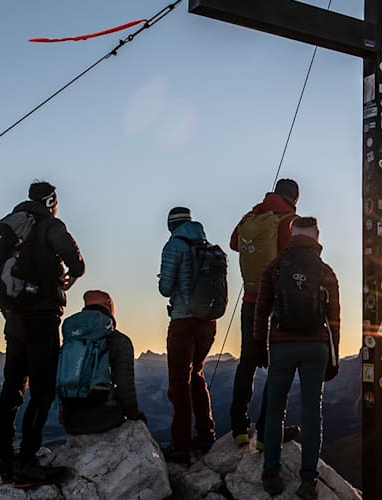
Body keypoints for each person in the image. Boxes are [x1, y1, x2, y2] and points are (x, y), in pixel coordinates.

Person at [0, 180, 85, 488]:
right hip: (42, 316)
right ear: (50, 201)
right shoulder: (49, 225)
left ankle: (6, 460)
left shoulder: (14, 226)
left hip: (14, 316)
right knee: (43, 390)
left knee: (12, 388)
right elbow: (76, 261)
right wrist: (73, 273)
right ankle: (28, 461)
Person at [254, 216, 340, 499]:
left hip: (282, 345)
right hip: (316, 347)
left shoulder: (275, 268)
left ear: (291, 235)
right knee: (312, 412)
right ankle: (308, 481)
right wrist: (333, 356)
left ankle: (271, 474)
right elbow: (334, 319)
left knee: (276, 409)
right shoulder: (326, 271)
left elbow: (262, 309)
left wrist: (258, 345)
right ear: (316, 235)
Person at [229, 178, 300, 448]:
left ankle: (239, 428)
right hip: (278, 302)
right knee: (279, 364)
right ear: (294, 198)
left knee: (247, 360)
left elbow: (235, 242)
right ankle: (268, 430)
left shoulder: (254, 215)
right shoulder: (291, 220)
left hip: (250, 300)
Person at [158, 206, 217, 464]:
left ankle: (180, 445)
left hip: (183, 321)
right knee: (197, 376)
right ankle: (206, 435)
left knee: (179, 383)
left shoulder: (174, 246)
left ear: (172, 225)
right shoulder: (207, 246)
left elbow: (165, 288)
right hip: (208, 323)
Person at [58, 290, 144, 434]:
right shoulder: (119, 340)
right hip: (103, 420)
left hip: (69, 421)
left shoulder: (71, 340)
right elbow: (125, 386)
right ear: (109, 306)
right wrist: (136, 417)